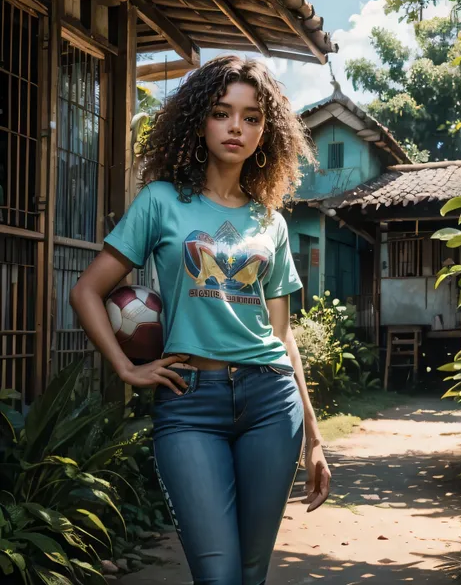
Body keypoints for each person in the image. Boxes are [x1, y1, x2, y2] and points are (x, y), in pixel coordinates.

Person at [70, 55, 331, 585]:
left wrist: (314, 436)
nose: (237, 126)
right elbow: (87, 291)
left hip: (270, 402)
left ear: (266, 131)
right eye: (222, 111)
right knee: (218, 575)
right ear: (199, 120)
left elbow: (282, 337)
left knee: (252, 573)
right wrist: (125, 368)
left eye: (252, 116)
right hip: (189, 404)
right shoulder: (162, 202)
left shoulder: (271, 222)